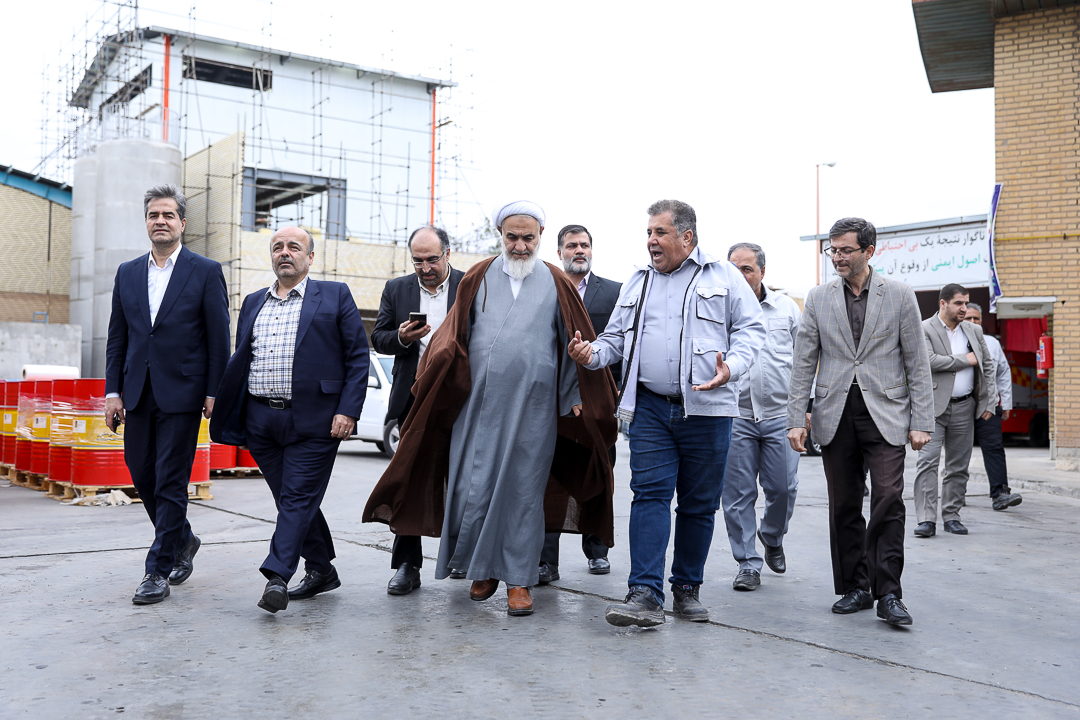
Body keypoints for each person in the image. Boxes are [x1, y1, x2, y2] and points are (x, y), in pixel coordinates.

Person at [364, 201, 617, 618]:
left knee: (523, 493)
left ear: (540, 237)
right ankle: (481, 570)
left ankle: (518, 581)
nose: (520, 246)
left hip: (535, 408)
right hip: (477, 407)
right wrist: (436, 383)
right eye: (512, 237)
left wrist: (574, 396)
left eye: (528, 238)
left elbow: (571, 342)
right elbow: (451, 338)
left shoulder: (557, 281)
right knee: (472, 486)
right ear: (500, 234)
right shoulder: (478, 276)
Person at [568, 199, 765, 627]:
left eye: (660, 232)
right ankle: (644, 593)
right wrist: (591, 353)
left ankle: (686, 589)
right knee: (649, 495)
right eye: (648, 233)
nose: (651, 241)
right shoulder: (638, 282)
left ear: (686, 237)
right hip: (651, 408)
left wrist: (731, 367)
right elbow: (615, 339)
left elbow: (752, 331)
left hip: (708, 410)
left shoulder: (723, 276)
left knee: (698, 505)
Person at [210, 227, 369, 613]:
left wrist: (348, 410)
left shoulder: (334, 295)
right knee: (292, 500)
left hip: (316, 421)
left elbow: (357, 356)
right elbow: (243, 358)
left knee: (296, 498)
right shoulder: (253, 302)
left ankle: (277, 576)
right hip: (261, 420)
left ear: (310, 257)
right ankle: (322, 569)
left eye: (294, 247)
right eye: (278, 247)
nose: (285, 253)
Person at [786, 217, 933, 627]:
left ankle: (889, 593)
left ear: (869, 251)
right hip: (834, 413)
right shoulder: (818, 298)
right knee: (844, 504)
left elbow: (917, 362)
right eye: (832, 250)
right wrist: (796, 418)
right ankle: (856, 586)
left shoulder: (900, 295)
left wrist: (922, 420)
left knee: (888, 497)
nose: (837, 257)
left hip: (886, 412)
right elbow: (803, 362)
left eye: (845, 250)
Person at [105, 184, 230, 605]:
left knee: (171, 481)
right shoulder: (127, 272)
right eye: (153, 215)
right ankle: (184, 538)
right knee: (142, 473)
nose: (160, 221)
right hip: (137, 393)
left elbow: (219, 336)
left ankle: (157, 570)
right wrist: (112, 391)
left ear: (182, 223)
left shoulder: (205, 270)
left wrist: (214, 390)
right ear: (146, 222)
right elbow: (118, 337)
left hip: (184, 393)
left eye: (168, 215)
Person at [370, 226, 466, 595]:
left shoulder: (470, 285)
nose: (425, 268)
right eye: (417, 261)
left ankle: (463, 556)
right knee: (410, 481)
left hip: (462, 397)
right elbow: (378, 337)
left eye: (432, 260)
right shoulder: (397, 289)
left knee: (465, 480)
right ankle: (407, 566)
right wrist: (401, 338)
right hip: (413, 397)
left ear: (447, 254)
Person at [538, 223, 622, 584]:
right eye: (571, 245)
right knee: (549, 479)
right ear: (559, 252)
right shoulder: (544, 290)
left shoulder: (615, 292)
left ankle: (597, 550)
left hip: (599, 404)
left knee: (598, 475)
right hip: (552, 403)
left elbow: (624, 346)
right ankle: (546, 561)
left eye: (584, 245)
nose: (579, 251)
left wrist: (615, 396)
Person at [721, 242, 801, 592]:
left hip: (780, 414)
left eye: (747, 269)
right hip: (734, 415)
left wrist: (805, 408)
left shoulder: (786, 308)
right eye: (733, 269)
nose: (739, 276)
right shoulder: (717, 311)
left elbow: (805, 359)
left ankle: (772, 535)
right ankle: (747, 564)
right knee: (737, 495)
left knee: (784, 487)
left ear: (762, 272)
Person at [912, 285, 995, 538]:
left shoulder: (974, 330)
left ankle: (952, 516)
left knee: (958, 466)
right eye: (959, 303)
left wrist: (989, 402)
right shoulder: (924, 328)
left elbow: (987, 365)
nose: (964, 309)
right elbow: (928, 361)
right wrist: (964, 360)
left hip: (964, 407)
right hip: (932, 409)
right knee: (927, 463)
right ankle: (926, 519)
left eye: (966, 303)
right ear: (943, 303)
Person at [964, 302, 1023, 511]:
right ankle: (956, 493)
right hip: (960, 406)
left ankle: (1000, 494)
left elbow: (1003, 374)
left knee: (994, 448)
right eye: (968, 318)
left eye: (976, 318)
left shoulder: (992, 343)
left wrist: (1006, 403)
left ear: (981, 322)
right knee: (959, 452)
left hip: (988, 407)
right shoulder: (953, 342)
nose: (972, 322)